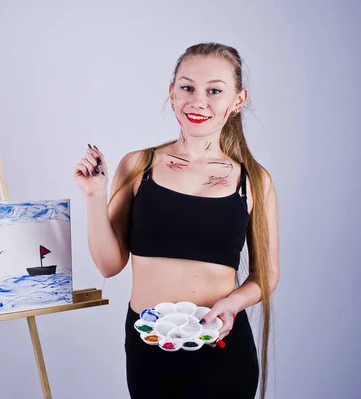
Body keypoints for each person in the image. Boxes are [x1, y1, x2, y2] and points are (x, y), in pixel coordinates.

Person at [74, 42, 279, 399]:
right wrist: (94, 195)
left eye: (214, 90)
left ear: (238, 100)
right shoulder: (139, 166)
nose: (198, 101)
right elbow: (109, 266)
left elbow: (267, 275)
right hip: (148, 346)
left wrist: (231, 304)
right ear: (171, 93)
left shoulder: (254, 181)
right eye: (187, 87)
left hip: (222, 347)